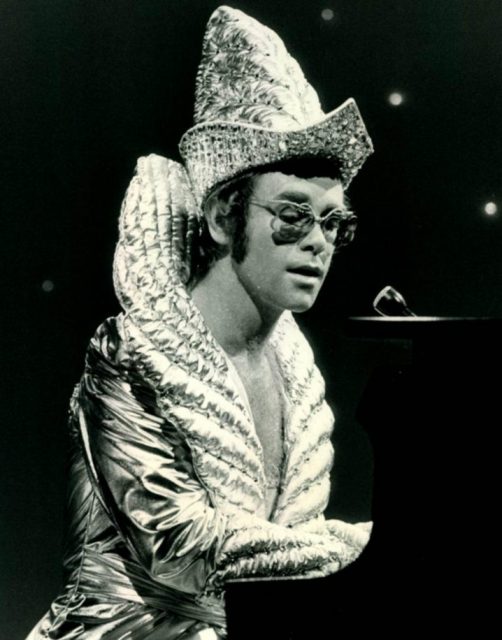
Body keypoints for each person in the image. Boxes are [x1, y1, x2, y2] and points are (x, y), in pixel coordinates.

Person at [27, 6, 374, 640]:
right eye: (293, 215)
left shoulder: (296, 371)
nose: (318, 242)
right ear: (220, 217)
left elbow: (284, 551)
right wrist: (358, 547)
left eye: (333, 222)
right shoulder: (130, 353)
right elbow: (181, 547)